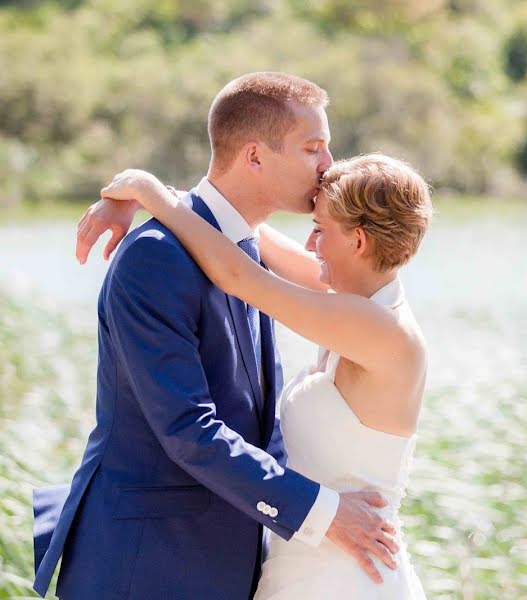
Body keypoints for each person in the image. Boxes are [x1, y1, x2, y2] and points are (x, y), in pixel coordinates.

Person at [33, 72, 400, 600]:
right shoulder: (156, 257)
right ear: (254, 156)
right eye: (312, 147)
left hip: (224, 562)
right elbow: (187, 428)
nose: (328, 165)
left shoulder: (245, 249)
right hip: (146, 564)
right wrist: (323, 512)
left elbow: (253, 417)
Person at [89, 152, 432, 598]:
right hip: (307, 560)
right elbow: (239, 228)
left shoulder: (378, 328)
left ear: (359, 241)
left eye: (320, 230)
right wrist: (163, 201)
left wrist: (145, 189)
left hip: (347, 575)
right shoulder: (362, 296)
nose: (310, 245)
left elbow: (238, 275)